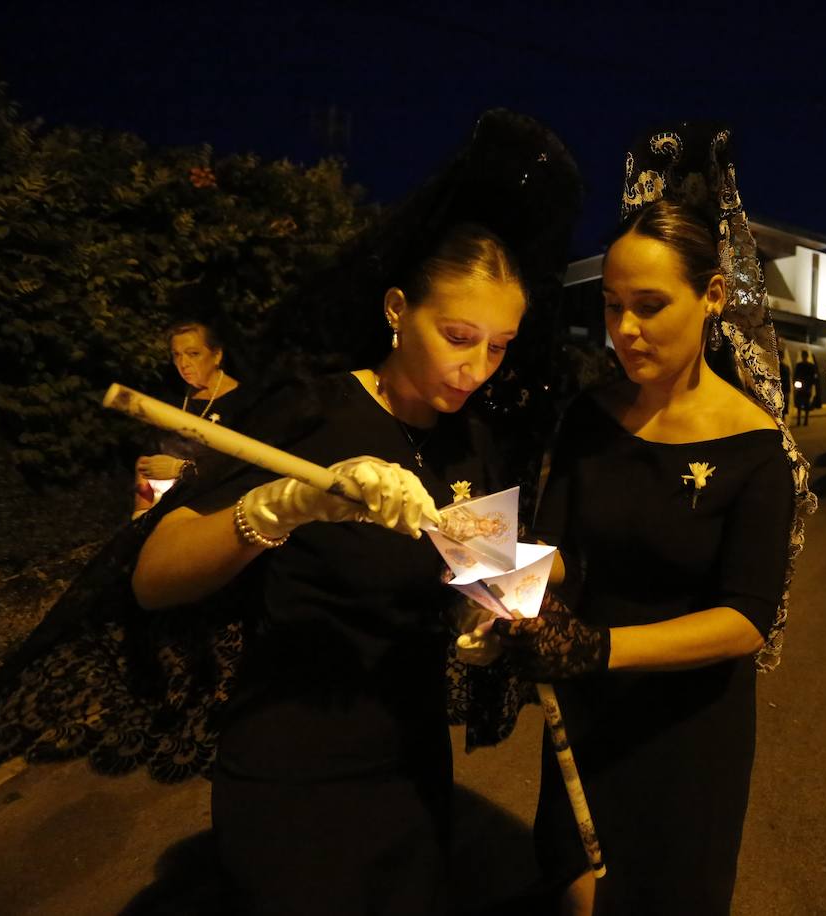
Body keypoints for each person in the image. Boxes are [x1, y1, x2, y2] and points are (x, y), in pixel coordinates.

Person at [127, 111, 581, 915]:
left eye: (500, 346)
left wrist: (496, 611)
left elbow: (492, 578)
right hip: (288, 770)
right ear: (398, 309)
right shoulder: (309, 409)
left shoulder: (472, 443)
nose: (476, 368)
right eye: (458, 335)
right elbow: (155, 578)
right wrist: (285, 505)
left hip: (410, 770)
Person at [481, 124, 814, 916]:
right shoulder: (591, 415)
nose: (623, 332)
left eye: (650, 307)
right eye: (611, 306)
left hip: (689, 734)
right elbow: (561, 555)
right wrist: (482, 552)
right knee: (575, 893)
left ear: (714, 296)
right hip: (589, 715)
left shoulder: (755, 445)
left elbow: (745, 620)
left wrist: (599, 648)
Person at [132, 320, 249, 517]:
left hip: (218, 511)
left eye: (193, 353)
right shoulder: (172, 399)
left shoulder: (243, 402)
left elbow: (240, 465)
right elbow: (147, 463)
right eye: (177, 355)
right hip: (168, 508)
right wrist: (141, 512)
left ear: (216, 355)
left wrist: (181, 469)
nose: (183, 364)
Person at [793, 349, 817, 426]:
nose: (804, 357)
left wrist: (810, 385)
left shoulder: (810, 365)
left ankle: (805, 419)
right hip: (801, 385)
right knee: (799, 403)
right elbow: (796, 375)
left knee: (806, 403)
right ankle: (799, 420)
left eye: (805, 356)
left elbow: (813, 376)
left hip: (807, 386)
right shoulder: (799, 365)